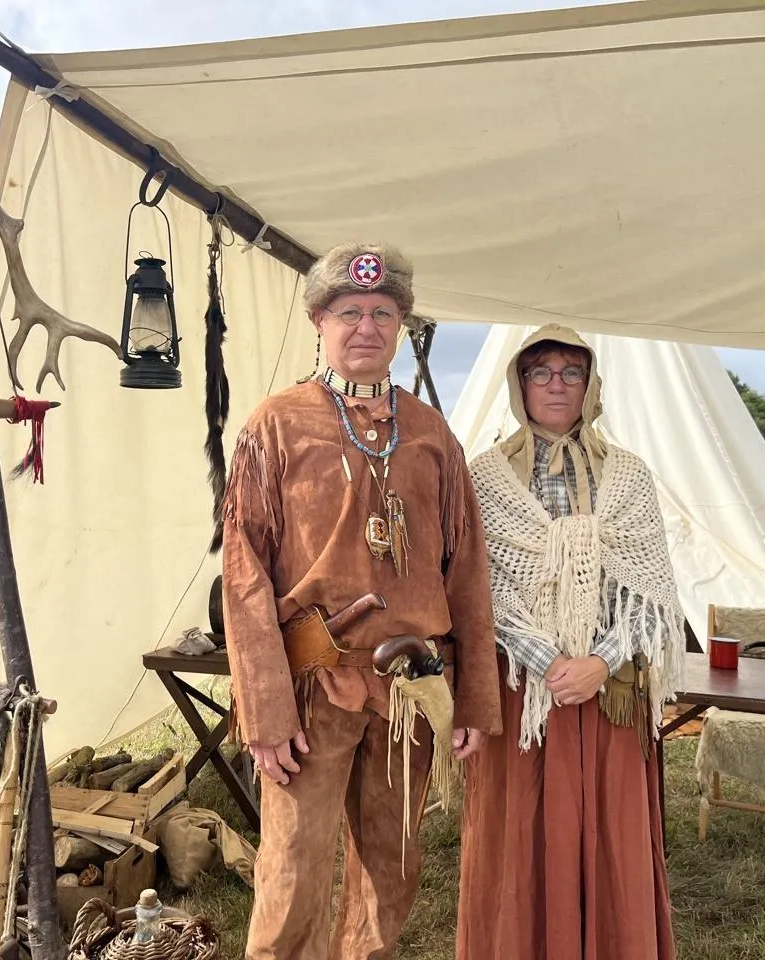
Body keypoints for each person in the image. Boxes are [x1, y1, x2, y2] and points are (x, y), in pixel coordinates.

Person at [221, 242, 502, 960]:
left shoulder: (432, 434)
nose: (366, 327)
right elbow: (244, 576)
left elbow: (467, 573)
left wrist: (473, 699)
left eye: (382, 312)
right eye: (350, 312)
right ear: (319, 320)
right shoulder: (275, 425)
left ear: (401, 324)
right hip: (315, 687)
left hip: (412, 691)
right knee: (293, 868)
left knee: (392, 868)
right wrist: (265, 711)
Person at [456, 324, 684, 960]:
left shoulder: (629, 476)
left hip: (610, 693)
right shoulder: (485, 478)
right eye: (541, 372)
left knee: (612, 834)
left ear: (591, 386)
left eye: (571, 373)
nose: (556, 385)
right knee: (520, 830)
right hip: (522, 695)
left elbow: (651, 593)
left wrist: (599, 663)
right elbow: (478, 587)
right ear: (520, 385)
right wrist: (550, 662)